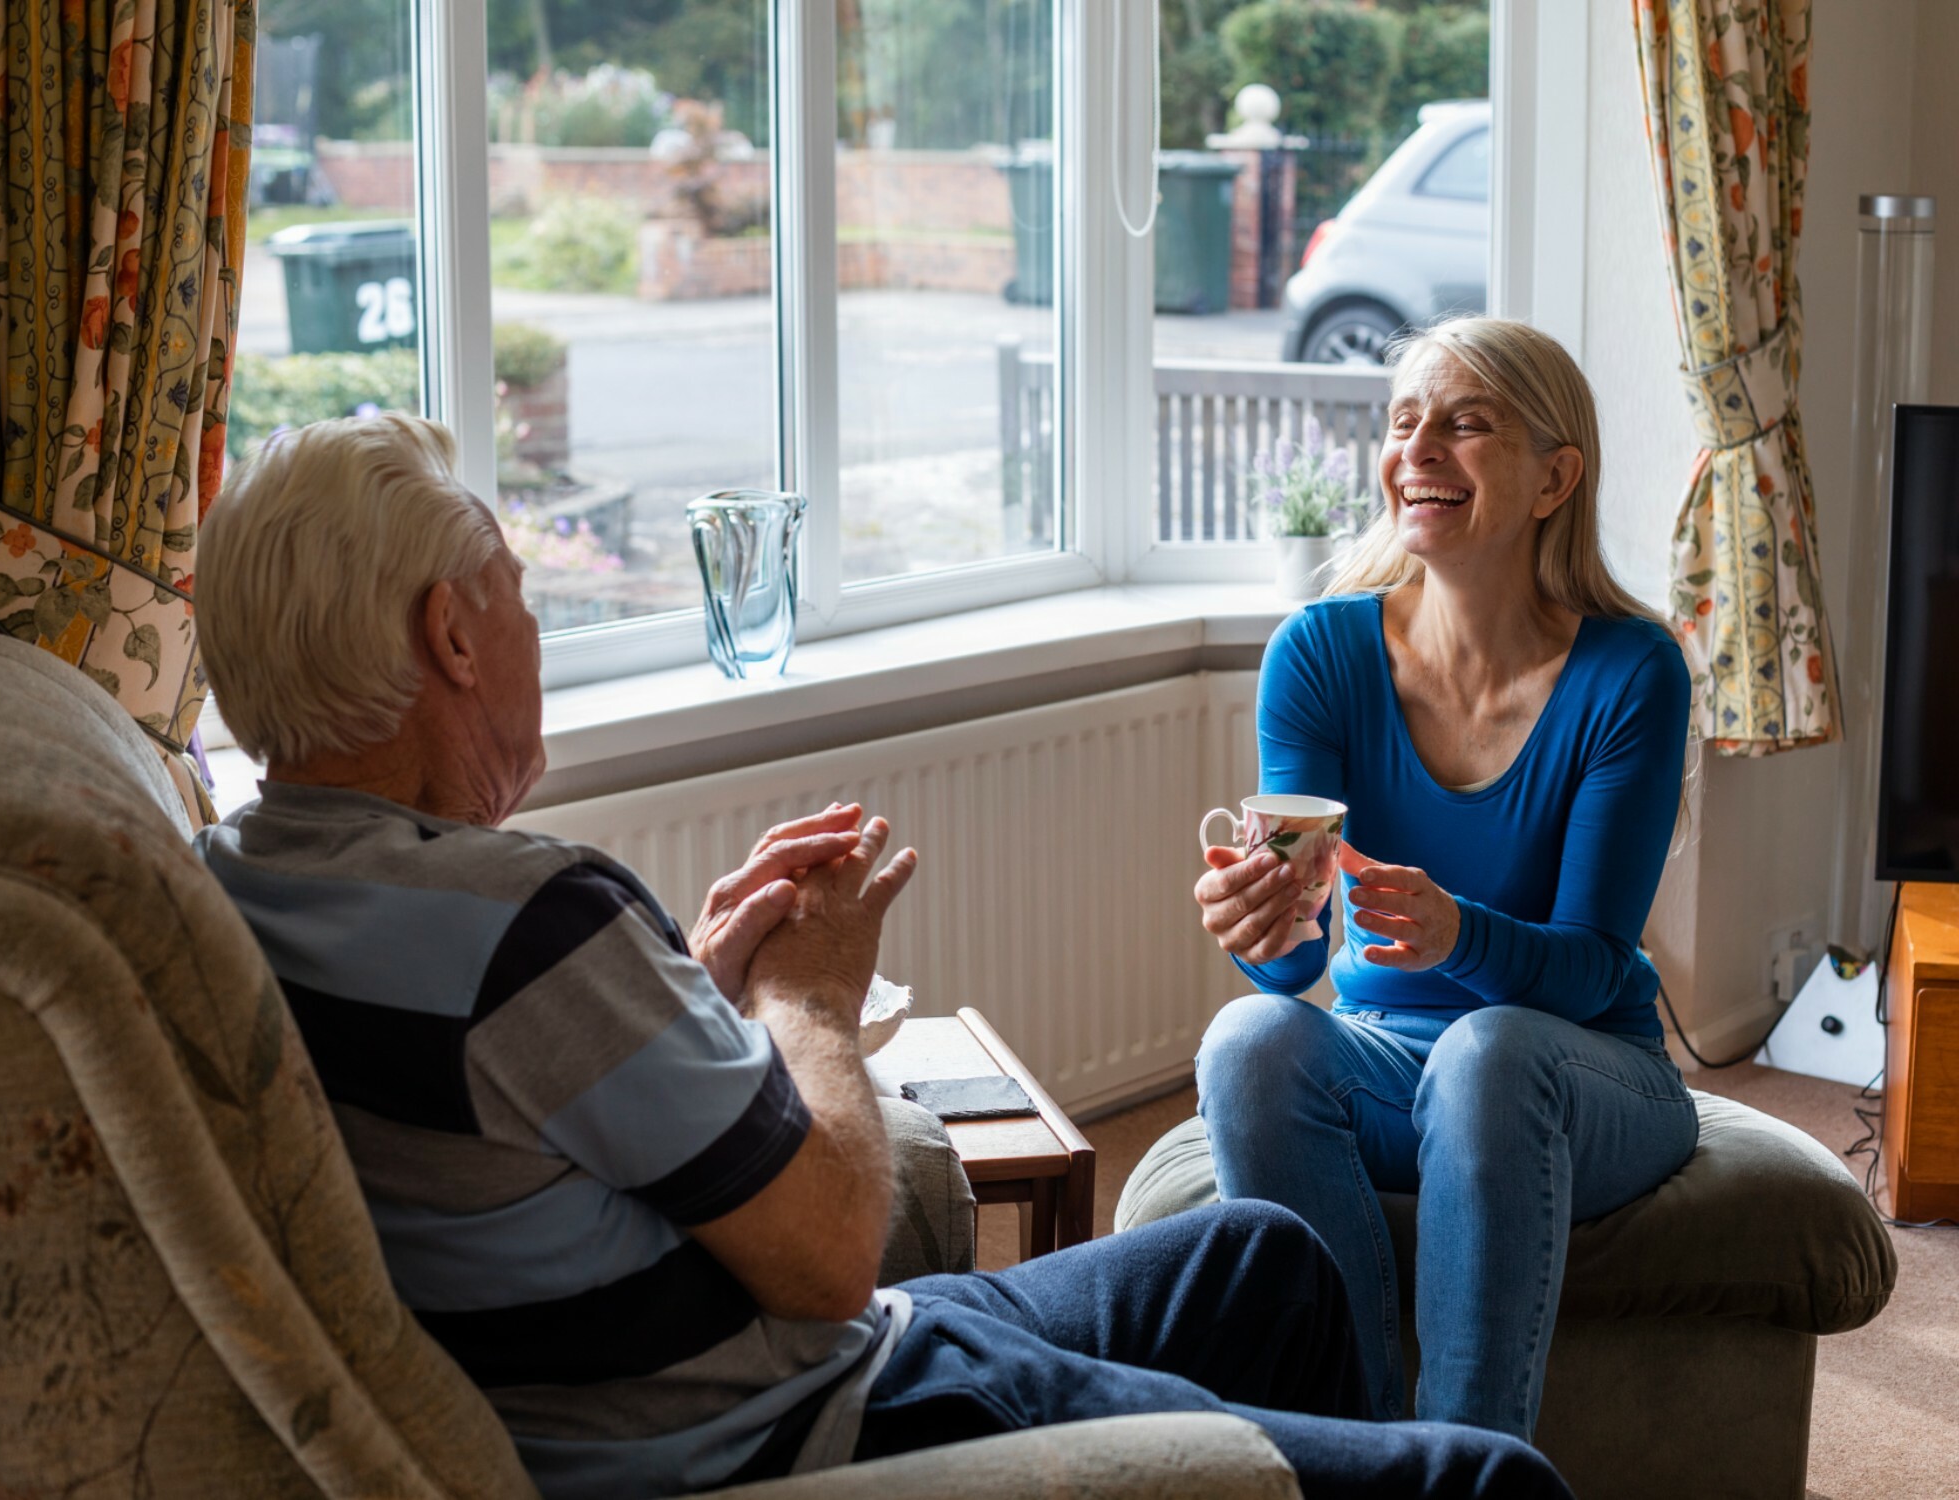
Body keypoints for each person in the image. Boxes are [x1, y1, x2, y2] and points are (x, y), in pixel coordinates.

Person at [192, 413, 1570, 1500]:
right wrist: (812, 999)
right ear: (449, 635)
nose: (533, 635)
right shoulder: (528, 918)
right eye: (515, 601)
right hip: (814, 1423)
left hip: (769, 1376)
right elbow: (831, 1253)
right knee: (1485, 1481)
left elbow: (504, 1107)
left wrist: (692, 978)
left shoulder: (237, 879)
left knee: (1259, 1259)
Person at [1193, 316, 1698, 1443]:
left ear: (1552, 478)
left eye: (1465, 426)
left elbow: (1589, 969)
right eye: (1402, 421)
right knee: (1245, 1041)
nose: (1416, 450)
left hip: (1585, 1071)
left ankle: (1469, 1470)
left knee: (1488, 1048)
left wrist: (1457, 935)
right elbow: (1295, 970)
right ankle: (1358, 1453)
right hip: (1386, 1063)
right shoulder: (1319, 654)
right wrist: (1257, 921)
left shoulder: (1631, 672)